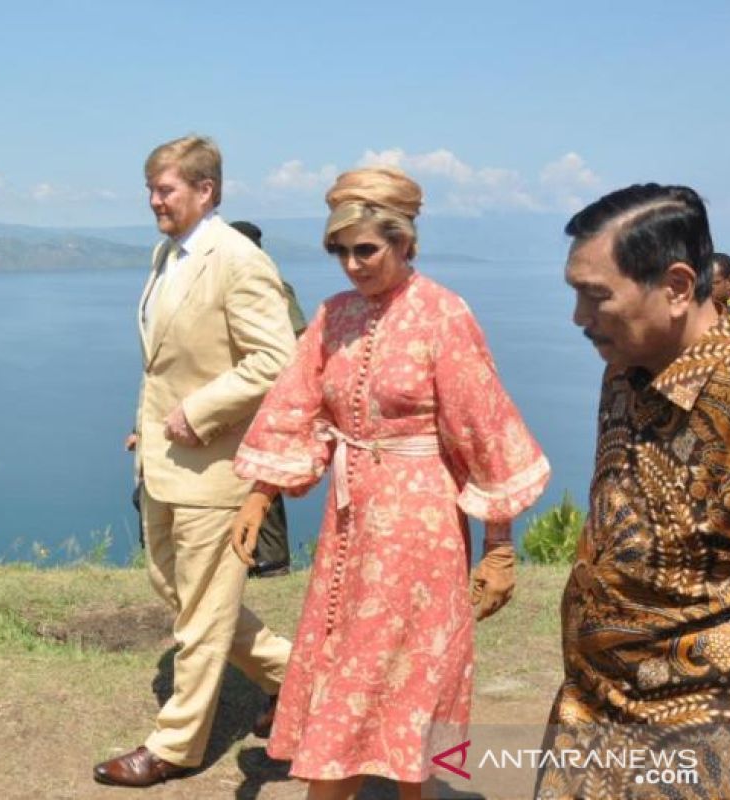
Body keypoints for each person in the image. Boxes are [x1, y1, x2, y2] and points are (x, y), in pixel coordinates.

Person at [230, 167, 550, 800]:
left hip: (422, 528)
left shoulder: (443, 314)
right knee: (344, 663)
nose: (352, 264)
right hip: (349, 528)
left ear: (406, 245)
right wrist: (259, 492)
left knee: (416, 671)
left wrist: (501, 546)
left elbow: (482, 431)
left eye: (367, 250)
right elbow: (301, 408)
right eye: (340, 251)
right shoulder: (332, 317)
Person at [539, 184, 730, 799]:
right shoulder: (623, 373)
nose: (578, 318)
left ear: (676, 287)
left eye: (596, 297)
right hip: (594, 728)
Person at [94, 135, 296, 788]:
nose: (154, 200)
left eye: (166, 189)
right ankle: (302, 680)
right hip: (162, 461)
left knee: (203, 614)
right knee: (179, 592)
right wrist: (145, 429)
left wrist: (203, 410)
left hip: (213, 468)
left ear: (206, 190)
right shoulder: (167, 255)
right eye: (151, 188)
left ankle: (175, 746)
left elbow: (277, 360)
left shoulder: (236, 259)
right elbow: (164, 367)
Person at [229, 219, 307, 577]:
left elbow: (297, 340)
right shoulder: (238, 282)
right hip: (241, 394)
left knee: (263, 477)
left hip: (266, 396)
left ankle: (272, 562)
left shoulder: (272, 286)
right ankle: (243, 555)